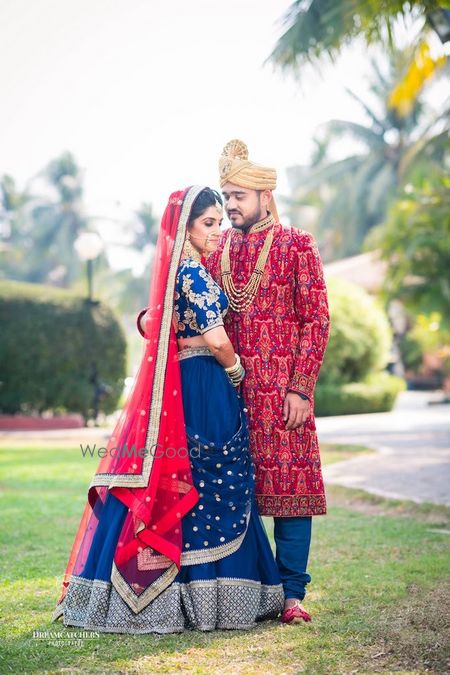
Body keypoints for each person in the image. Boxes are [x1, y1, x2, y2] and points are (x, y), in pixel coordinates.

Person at [53, 186, 284, 634]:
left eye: (220, 222)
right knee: (214, 479)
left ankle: (171, 598)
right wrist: (237, 372)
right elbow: (216, 339)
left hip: (185, 385)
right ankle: (210, 600)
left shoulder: (177, 272)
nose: (218, 232)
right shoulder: (193, 274)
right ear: (186, 228)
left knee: (184, 479)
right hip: (204, 385)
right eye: (208, 224)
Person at [207, 140, 330, 624]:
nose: (230, 204)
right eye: (225, 195)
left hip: (283, 395)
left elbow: (316, 319)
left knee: (290, 494)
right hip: (229, 395)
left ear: (265, 195)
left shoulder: (297, 243)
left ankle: (293, 594)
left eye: (238, 194)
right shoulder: (217, 249)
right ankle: (253, 590)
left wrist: (302, 386)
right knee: (233, 492)